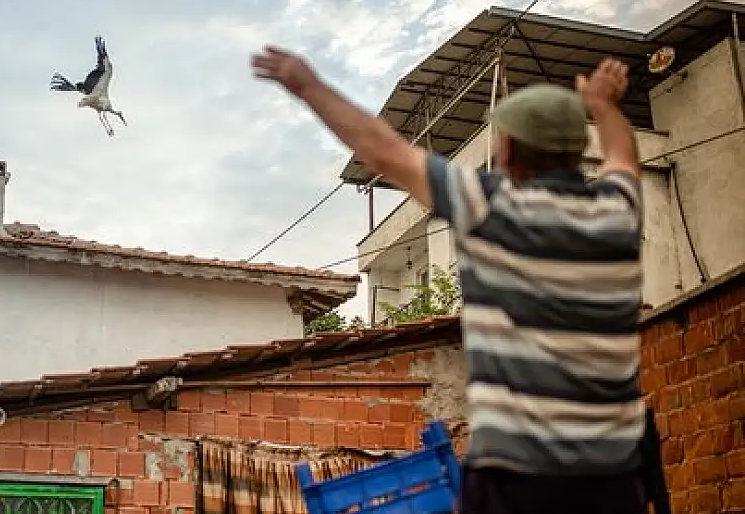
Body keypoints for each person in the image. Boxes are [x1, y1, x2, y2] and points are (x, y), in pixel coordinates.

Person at [252, 47, 647, 514]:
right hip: (616, 475)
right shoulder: (618, 212)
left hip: (519, 475)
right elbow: (623, 155)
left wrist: (307, 84)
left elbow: (383, 151)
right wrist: (603, 106)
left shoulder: (490, 205)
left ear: (510, 149)